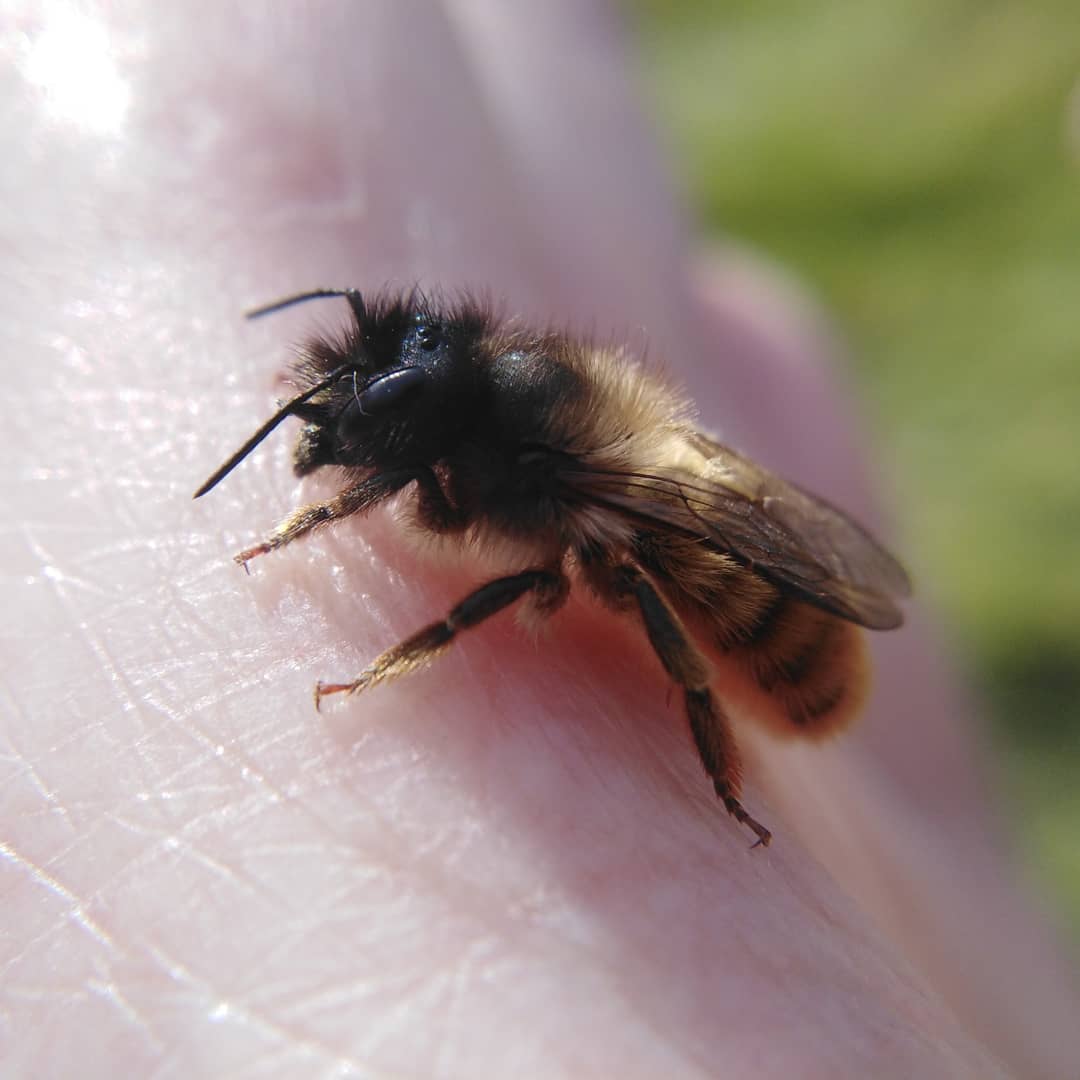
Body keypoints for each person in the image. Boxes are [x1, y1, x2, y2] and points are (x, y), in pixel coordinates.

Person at [4, 4, 1077, 1076]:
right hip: (701, 511)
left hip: (770, 620)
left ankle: (710, 770)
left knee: (637, 571)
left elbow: (527, 546)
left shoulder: (539, 462)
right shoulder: (503, 408)